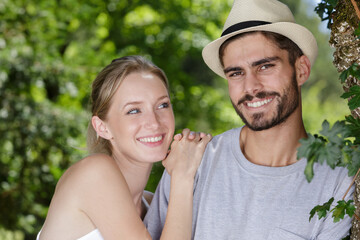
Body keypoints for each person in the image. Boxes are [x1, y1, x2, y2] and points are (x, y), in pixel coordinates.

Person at [144, 0, 354, 239]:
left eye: (265, 66)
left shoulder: (338, 181)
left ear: (301, 70)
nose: (251, 87)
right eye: (236, 73)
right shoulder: (192, 162)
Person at [37, 55, 212, 240]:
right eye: (134, 110)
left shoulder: (152, 204)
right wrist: (183, 175)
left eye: (162, 105)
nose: (154, 122)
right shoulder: (93, 173)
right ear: (102, 127)